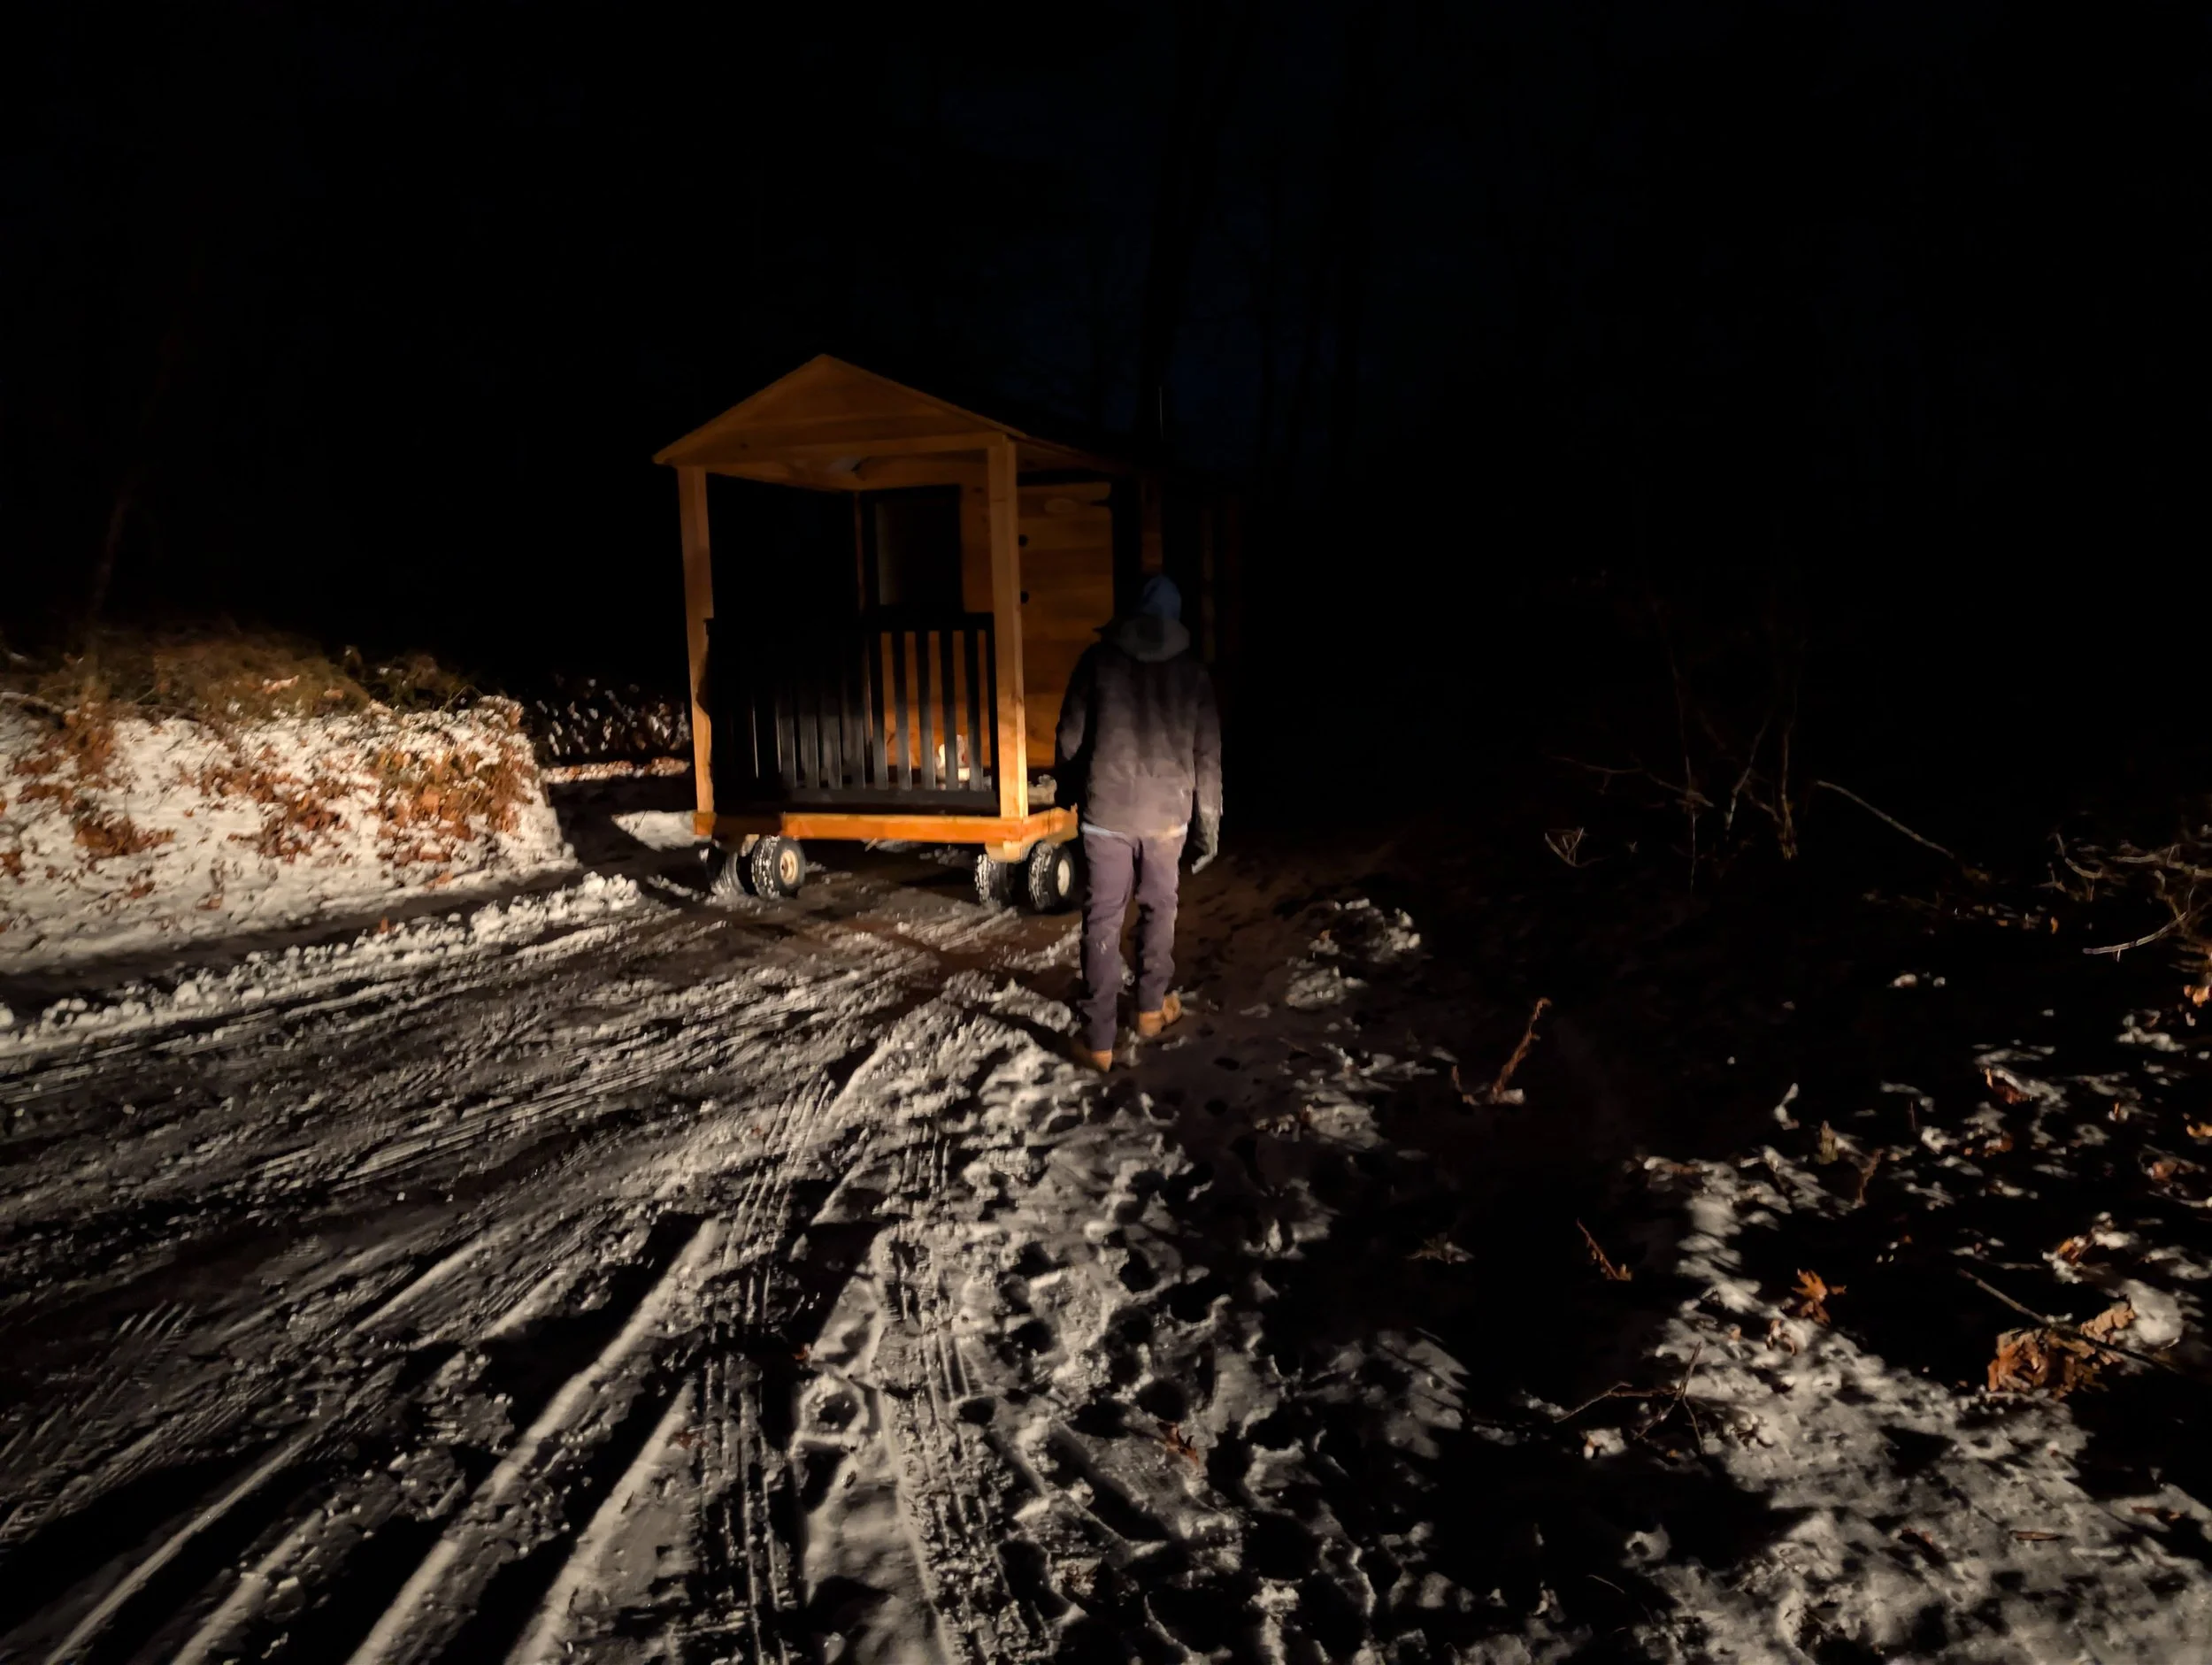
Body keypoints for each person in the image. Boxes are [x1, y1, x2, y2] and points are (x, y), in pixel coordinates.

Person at [1054, 572, 1222, 1070]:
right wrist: (1208, 824)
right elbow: (1207, 755)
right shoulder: (1194, 674)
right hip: (1168, 814)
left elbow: (1069, 735)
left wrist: (1068, 791)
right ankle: (1150, 1010)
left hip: (1107, 811)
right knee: (1158, 908)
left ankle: (1099, 1039)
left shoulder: (1098, 662)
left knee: (1102, 918)